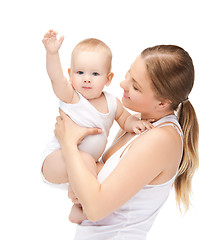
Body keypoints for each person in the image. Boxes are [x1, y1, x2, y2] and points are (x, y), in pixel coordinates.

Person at [51, 44, 199, 240]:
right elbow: (99, 190)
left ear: (162, 103)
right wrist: (81, 185)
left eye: (135, 86)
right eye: (129, 74)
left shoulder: (161, 139)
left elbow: (95, 209)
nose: (122, 83)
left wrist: (68, 143)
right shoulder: (137, 123)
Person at [41, 30, 153, 223]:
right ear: (71, 74)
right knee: (84, 159)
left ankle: (83, 196)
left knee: (106, 171)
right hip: (56, 160)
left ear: (108, 79)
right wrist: (52, 53)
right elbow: (56, 79)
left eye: (95, 73)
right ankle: (78, 204)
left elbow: (125, 120)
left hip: (87, 165)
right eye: (80, 72)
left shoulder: (112, 102)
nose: (86, 78)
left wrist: (136, 123)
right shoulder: (72, 97)